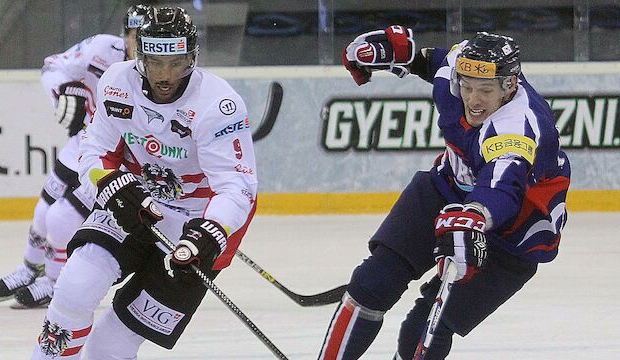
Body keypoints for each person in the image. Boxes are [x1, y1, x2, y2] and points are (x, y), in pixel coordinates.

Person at [318, 27, 570, 359]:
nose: (473, 100)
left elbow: (503, 185)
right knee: (371, 284)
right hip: (445, 189)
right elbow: (434, 62)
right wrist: (402, 57)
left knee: (426, 328)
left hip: (513, 234)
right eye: (467, 87)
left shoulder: (518, 126)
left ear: (509, 86)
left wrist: (475, 215)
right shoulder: (459, 67)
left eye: (485, 90)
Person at [31, 6, 257, 359]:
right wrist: (109, 185)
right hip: (133, 204)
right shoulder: (117, 83)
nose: (165, 75)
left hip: (194, 226)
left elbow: (238, 187)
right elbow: (93, 152)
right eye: (155, 62)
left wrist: (209, 232)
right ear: (140, 56)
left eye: (177, 62)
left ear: (193, 57)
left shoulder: (218, 104)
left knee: (108, 348)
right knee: (74, 287)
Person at [0, 4, 151, 308]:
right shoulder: (102, 49)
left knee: (61, 219)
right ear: (125, 35)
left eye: (145, 37)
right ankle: (29, 268)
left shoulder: (161, 76)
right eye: (134, 35)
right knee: (42, 213)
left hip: (119, 161)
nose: (138, 45)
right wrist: (67, 93)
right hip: (84, 145)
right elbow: (53, 66)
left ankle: (53, 282)